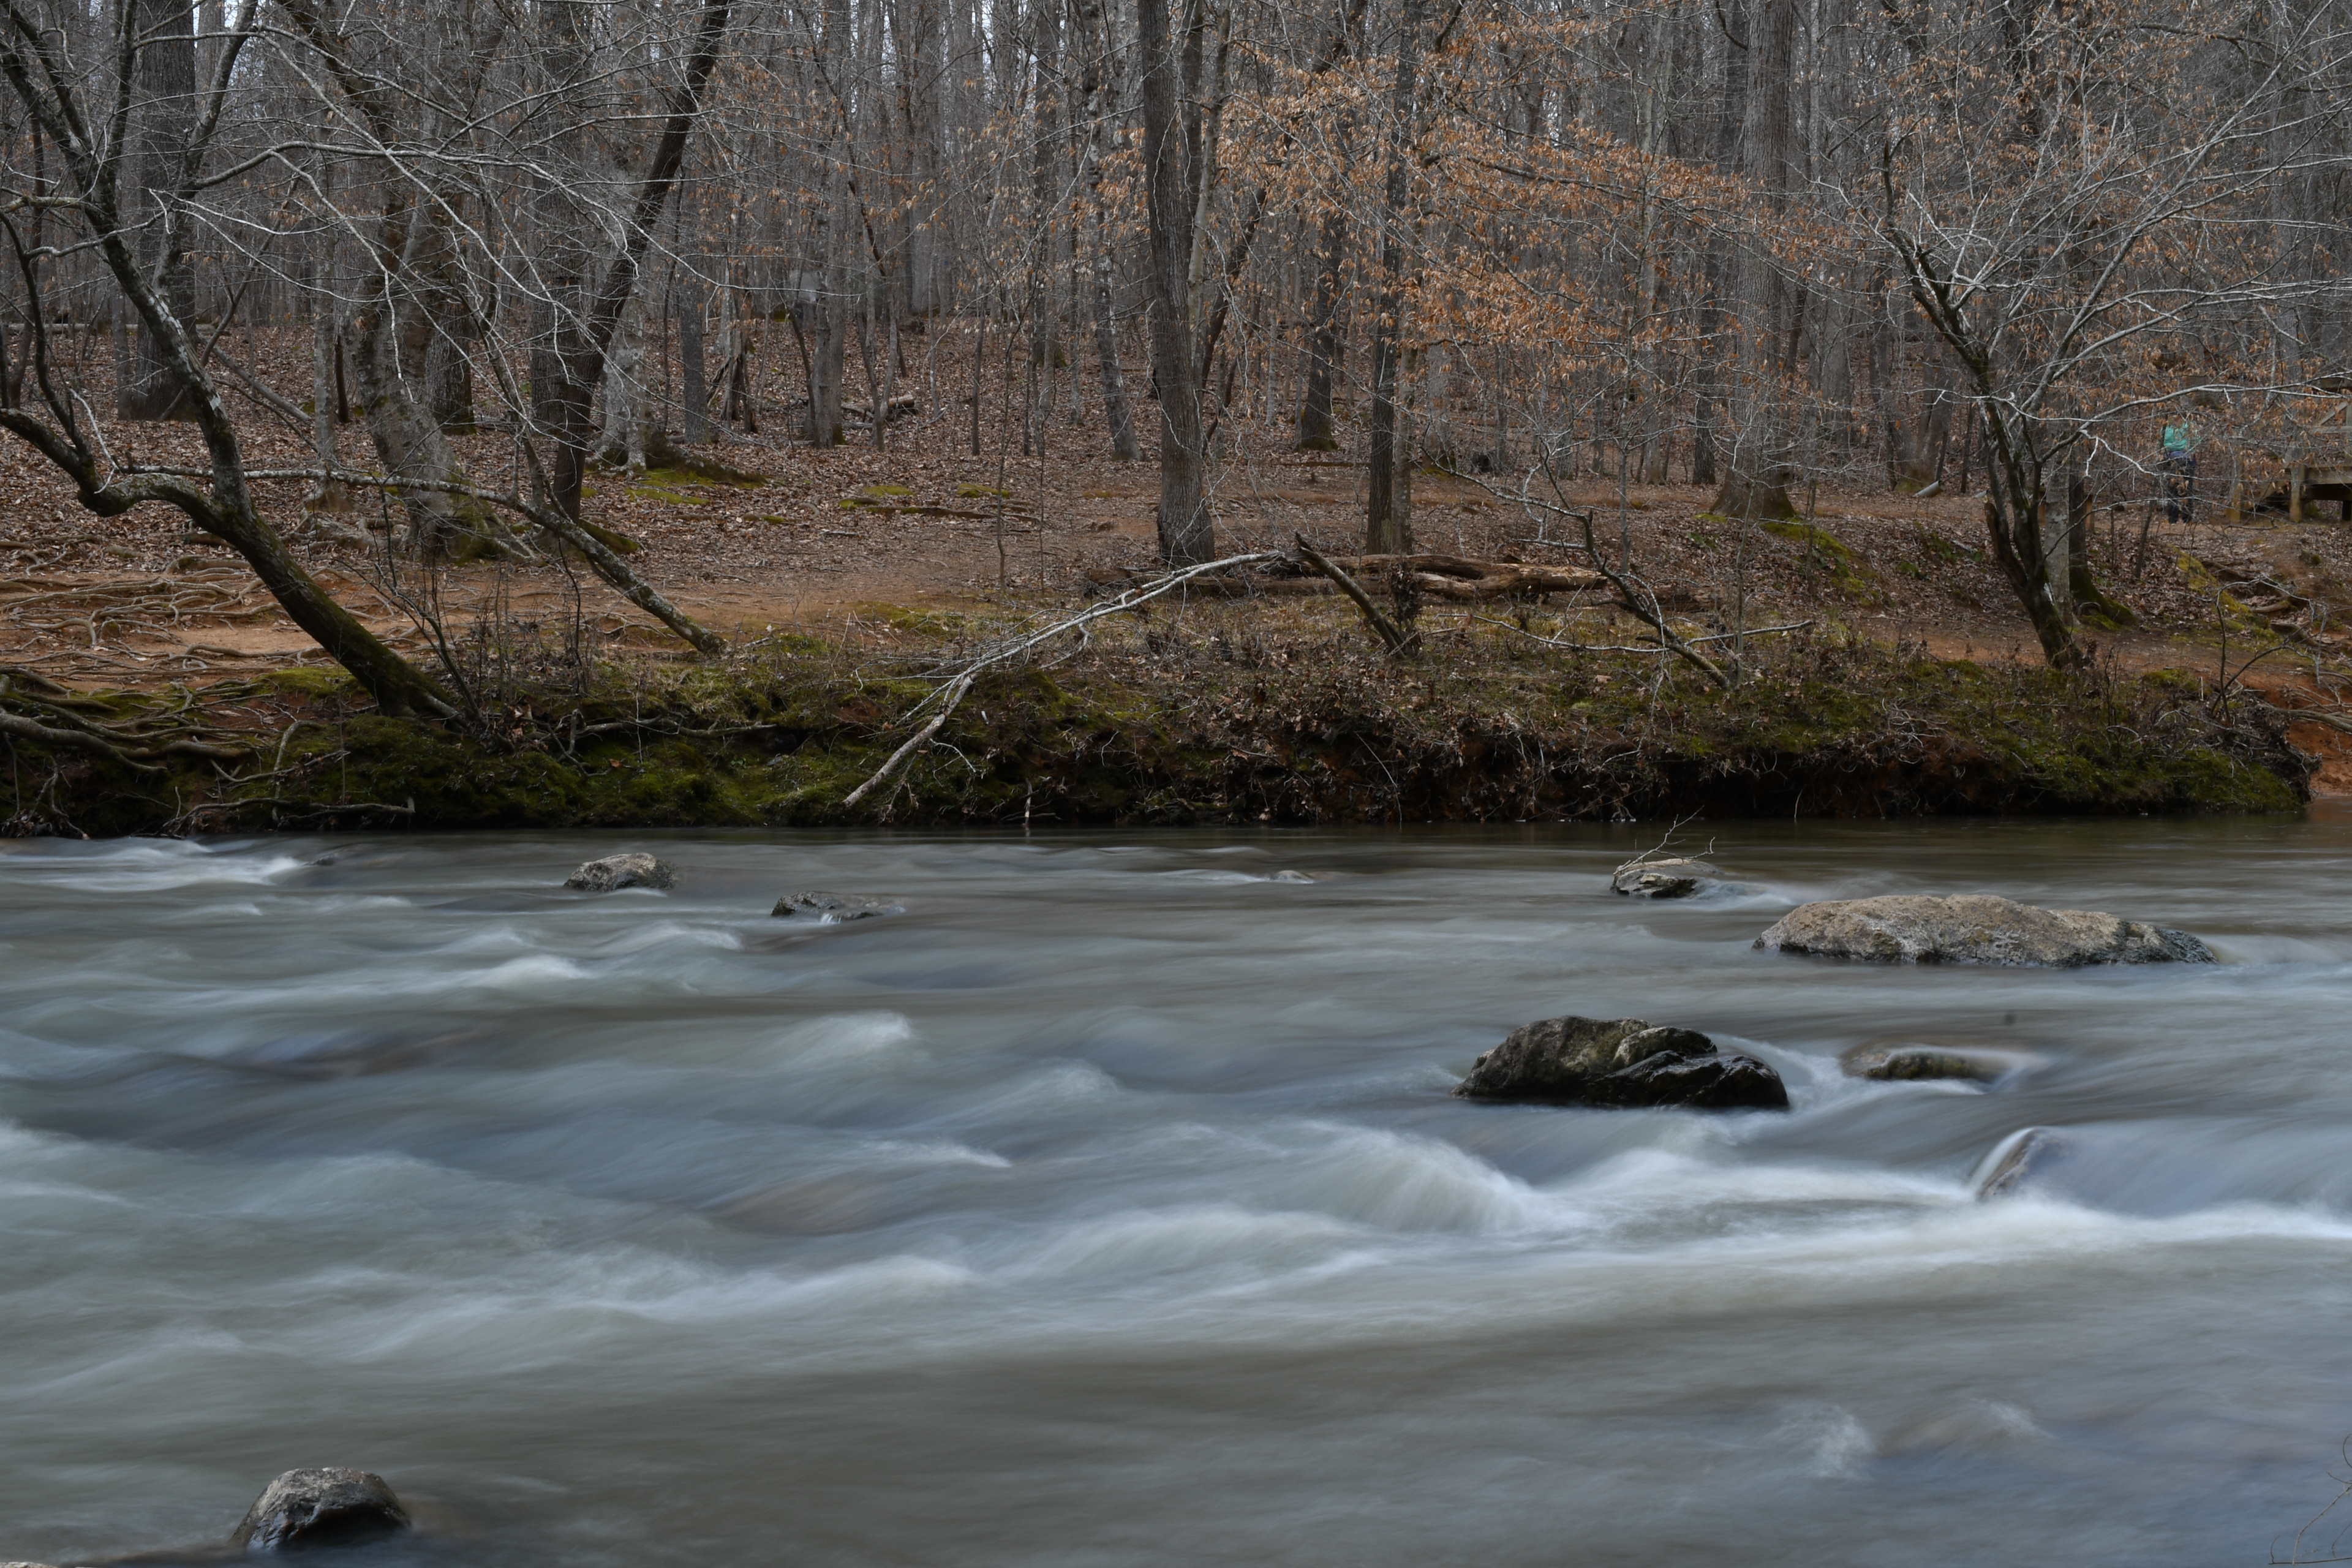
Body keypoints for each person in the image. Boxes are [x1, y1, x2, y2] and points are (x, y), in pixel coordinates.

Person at [2162, 419, 2199, 525]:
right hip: (2188, 459)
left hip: (2170, 459)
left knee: (2172, 490)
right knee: (2187, 490)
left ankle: (2173, 520)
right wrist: (2189, 450)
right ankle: (2187, 519)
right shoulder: (2190, 425)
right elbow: (2197, 440)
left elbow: (2161, 442)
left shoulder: (2166, 426)